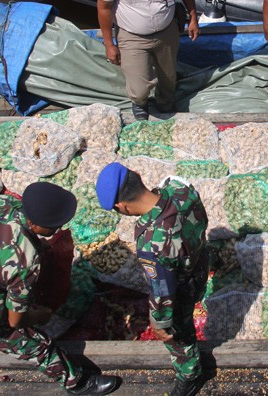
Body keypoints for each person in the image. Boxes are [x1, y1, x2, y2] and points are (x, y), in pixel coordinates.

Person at [0, 182, 121, 395]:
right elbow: (16, 321)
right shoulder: (24, 261)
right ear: (34, 223)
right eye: (54, 226)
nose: (57, 230)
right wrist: (39, 316)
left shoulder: (2, 203)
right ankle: (76, 383)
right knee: (38, 344)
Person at [96, 163, 209, 396]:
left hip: (183, 284)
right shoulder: (179, 188)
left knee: (180, 331)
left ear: (122, 207)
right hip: (200, 262)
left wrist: (159, 322)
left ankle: (190, 374)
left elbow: (162, 289)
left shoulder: (151, 241)